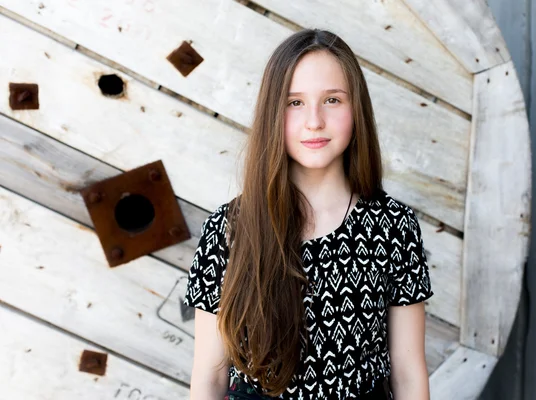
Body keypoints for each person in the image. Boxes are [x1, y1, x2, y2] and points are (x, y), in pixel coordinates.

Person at [184, 28, 434, 400]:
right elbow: (208, 377)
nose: (314, 120)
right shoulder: (230, 229)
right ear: (273, 112)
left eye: (332, 100)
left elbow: (409, 372)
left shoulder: (393, 226)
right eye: (294, 102)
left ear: (356, 109)